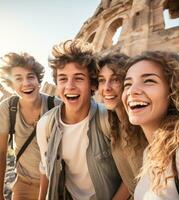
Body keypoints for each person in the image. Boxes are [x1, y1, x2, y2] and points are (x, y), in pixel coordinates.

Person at [36, 39, 128, 200]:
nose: (69, 86)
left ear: (92, 84)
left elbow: (131, 174)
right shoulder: (46, 124)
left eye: (78, 78)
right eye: (63, 79)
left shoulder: (109, 119)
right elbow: (45, 169)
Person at [122, 51, 179, 200]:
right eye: (128, 84)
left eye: (149, 81)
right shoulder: (150, 152)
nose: (132, 91)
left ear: (173, 90)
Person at [0, 52, 60, 200]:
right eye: (18, 78)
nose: (26, 83)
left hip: (56, 184)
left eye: (30, 77)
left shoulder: (56, 106)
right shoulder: (7, 108)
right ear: (11, 85)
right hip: (23, 185)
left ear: (38, 80)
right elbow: (1, 152)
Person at [97, 52, 147, 198]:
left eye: (115, 79)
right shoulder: (114, 124)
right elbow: (131, 178)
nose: (106, 88)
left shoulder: (143, 124)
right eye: (102, 80)